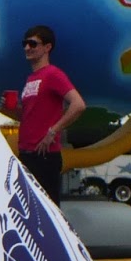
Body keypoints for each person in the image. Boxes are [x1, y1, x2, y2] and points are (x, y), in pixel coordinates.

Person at [14, 24, 85, 207]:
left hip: (44, 155)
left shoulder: (53, 74)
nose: (27, 48)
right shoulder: (31, 78)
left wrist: (53, 131)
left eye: (33, 44)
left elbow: (78, 104)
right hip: (26, 153)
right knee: (28, 209)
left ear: (47, 47)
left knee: (47, 209)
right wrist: (10, 109)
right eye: (25, 44)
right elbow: (30, 115)